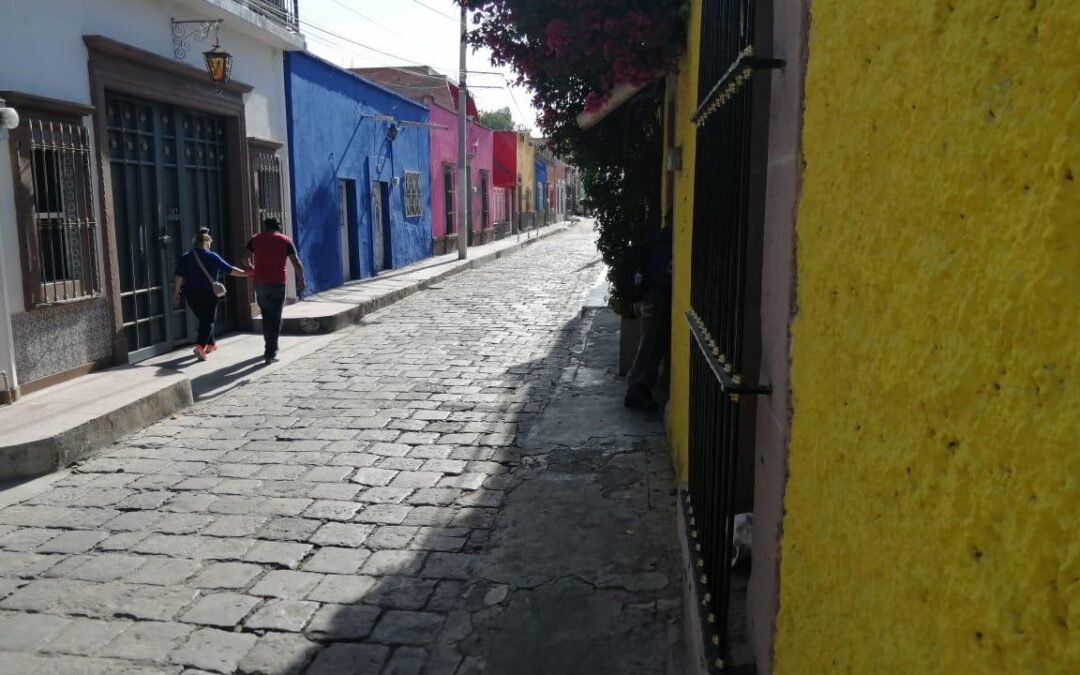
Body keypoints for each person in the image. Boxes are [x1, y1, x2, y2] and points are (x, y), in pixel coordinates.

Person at [172, 228, 250, 361]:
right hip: (209, 294)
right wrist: (246, 274)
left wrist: (176, 293)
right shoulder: (212, 256)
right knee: (208, 320)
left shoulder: (186, 257)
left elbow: (179, 276)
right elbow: (229, 270)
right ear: (207, 242)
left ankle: (210, 343)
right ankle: (200, 346)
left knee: (204, 319)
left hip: (191, 294)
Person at [624, 217, 673, 409]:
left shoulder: (657, 240)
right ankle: (636, 389)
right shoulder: (665, 244)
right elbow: (663, 276)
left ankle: (640, 388)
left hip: (649, 300)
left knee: (652, 344)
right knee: (650, 345)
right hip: (656, 300)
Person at [247, 217, 305, 364]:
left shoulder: (255, 239)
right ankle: (270, 352)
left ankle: (270, 346)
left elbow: (243, 257)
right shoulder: (285, 240)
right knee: (275, 318)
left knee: (267, 316)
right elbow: (296, 262)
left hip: (260, 283)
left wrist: (251, 267)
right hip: (278, 283)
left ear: (265, 227)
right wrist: (301, 280)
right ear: (278, 227)